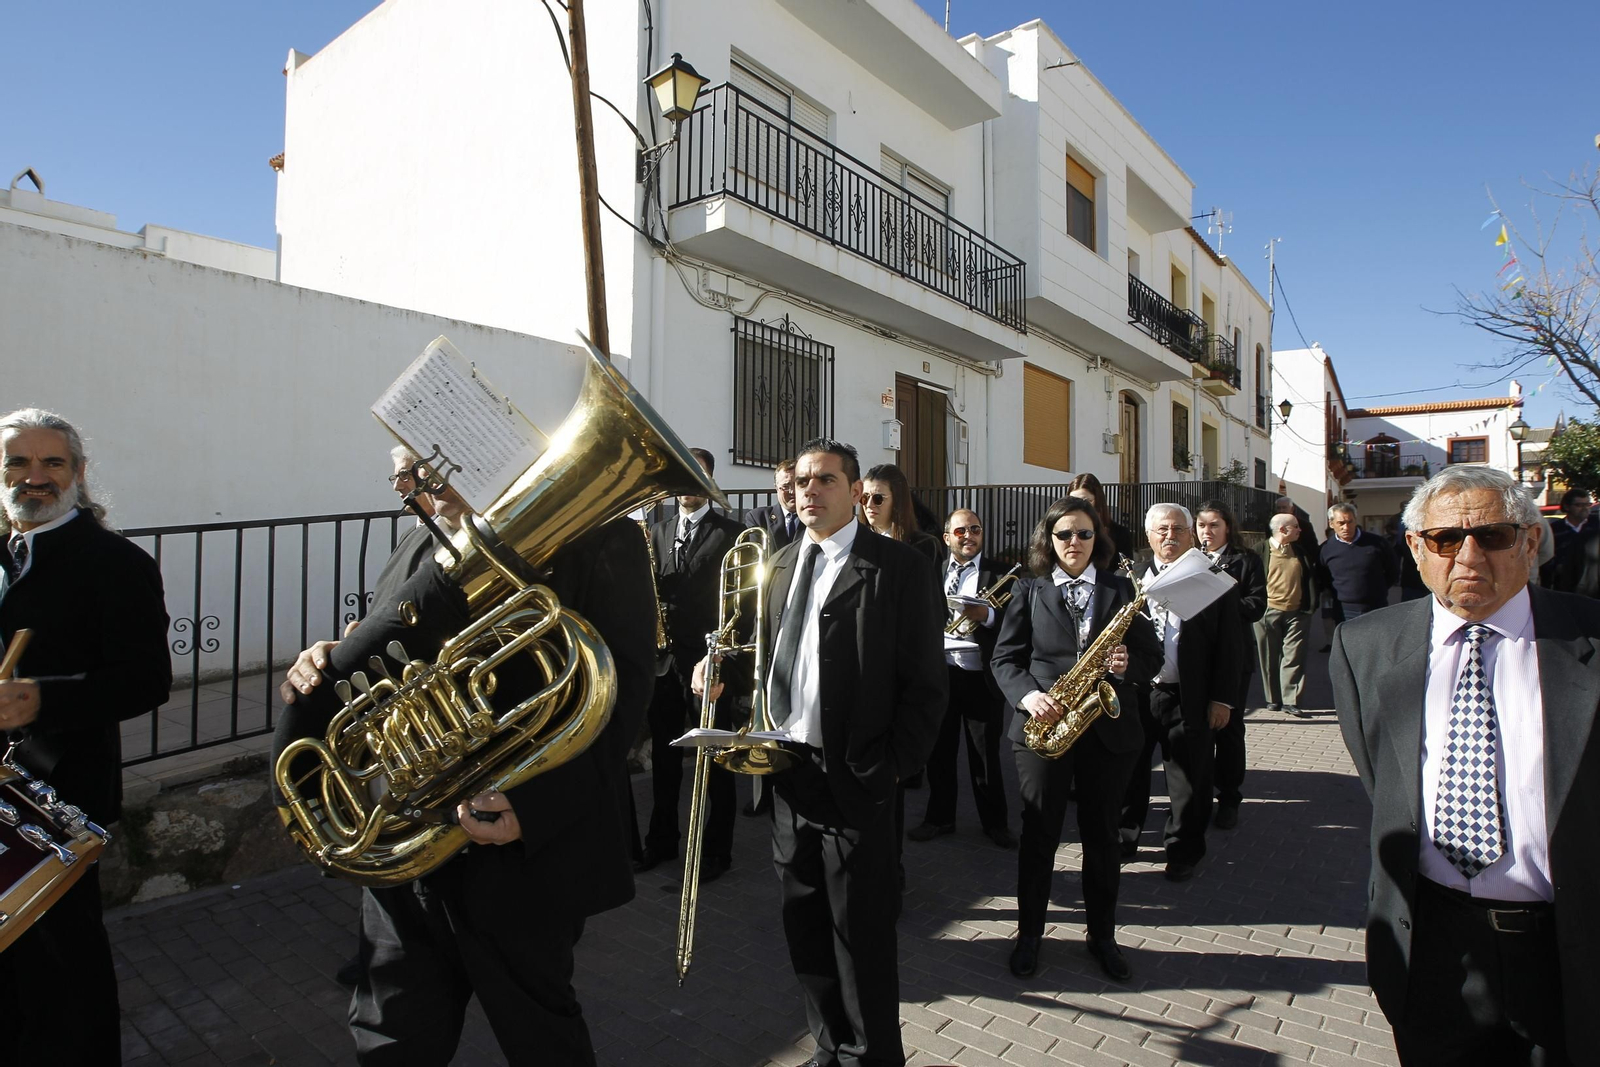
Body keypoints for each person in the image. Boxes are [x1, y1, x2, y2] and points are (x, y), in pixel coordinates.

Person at [274, 475, 655, 1065]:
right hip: (408, 855)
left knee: (542, 1038)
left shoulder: (597, 540)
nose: (420, 486)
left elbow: (621, 696)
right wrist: (327, 658)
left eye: (432, 463)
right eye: (405, 475)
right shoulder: (411, 548)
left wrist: (535, 808)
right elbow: (384, 669)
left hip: (518, 860)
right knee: (389, 1038)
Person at [1332, 465, 1599, 1066]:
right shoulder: (1364, 647)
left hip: (1568, 946)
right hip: (1432, 948)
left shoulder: (1589, 637)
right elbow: (1385, 781)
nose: (1468, 555)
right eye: (1446, 539)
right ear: (1416, 549)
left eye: (1495, 536)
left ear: (1530, 542)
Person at [697, 438, 945, 1067]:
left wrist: (891, 767)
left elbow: (926, 686)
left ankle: (872, 1057)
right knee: (804, 926)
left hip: (857, 778)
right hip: (787, 775)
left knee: (860, 940)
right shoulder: (779, 563)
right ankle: (829, 1046)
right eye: (803, 480)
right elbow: (771, 656)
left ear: (856, 493)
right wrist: (716, 669)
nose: (809, 490)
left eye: (826, 480)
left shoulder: (899, 567)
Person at [0, 408, 172, 1066]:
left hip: (60, 801)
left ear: (78, 472)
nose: (34, 477)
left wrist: (41, 700)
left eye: (53, 463)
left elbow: (146, 681)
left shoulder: (116, 563)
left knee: (63, 979)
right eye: (18, 462)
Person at [284, 446, 472, 988]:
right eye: (397, 475)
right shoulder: (414, 537)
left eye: (412, 472)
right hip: (396, 743)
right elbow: (378, 628)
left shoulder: (504, 537)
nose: (400, 487)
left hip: (458, 758)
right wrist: (332, 650)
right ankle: (382, 949)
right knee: (388, 866)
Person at [990, 496, 1161, 981]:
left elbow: (1152, 659)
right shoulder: (1028, 590)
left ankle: (1102, 937)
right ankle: (1029, 936)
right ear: (1050, 540)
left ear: (1096, 539)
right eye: (1064, 534)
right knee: (1039, 834)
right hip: (1046, 726)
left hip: (1107, 731)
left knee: (1102, 838)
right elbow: (1005, 660)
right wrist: (1028, 698)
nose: (1074, 543)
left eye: (1084, 534)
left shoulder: (1123, 591)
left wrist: (1130, 666)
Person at [635, 447, 744, 880]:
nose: (688, 487)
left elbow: (743, 608)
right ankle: (660, 843)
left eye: (697, 477)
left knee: (716, 762)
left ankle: (717, 852)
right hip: (665, 665)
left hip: (710, 666)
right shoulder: (657, 532)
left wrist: (723, 664)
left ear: (710, 483)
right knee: (664, 760)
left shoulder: (731, 532)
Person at [1118, 503, 1242, 881]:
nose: (1169, 536)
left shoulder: (1210, 579)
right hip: (1137, 693)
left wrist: (1222, 699)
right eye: (1161, 530)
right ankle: (1124, 838)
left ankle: (1184, 850)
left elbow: (1231, 645)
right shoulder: (1128, 579)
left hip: (1189, 695)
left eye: (1177, 529)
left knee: (1189, 780)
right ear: (1149, 537)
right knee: (1129, 773)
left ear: (1191, 535)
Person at [908, 507, 1015, 849]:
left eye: (975, 529)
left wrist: (986, 615)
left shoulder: (1001, 573)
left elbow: (1015, 621)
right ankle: (940, 818)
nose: (968, 536)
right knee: (939, 753)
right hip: (940, 675)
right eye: (960, 531)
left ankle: (995, 823)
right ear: (946, 537)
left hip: (978, 677)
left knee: (985, 756)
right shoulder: (932, 570)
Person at [1195, 500, 1266, 830]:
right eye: (1201, 525)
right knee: (1196, 732)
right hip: (1196, 657)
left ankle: (1229, 798)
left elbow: (1256, 606)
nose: (1206, 532)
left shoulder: (1245, 560)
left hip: (1233, 657)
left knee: (1228, 729)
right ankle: (1196, 799)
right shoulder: (1190, 560)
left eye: (1213, 525)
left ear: (1227, 528)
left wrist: (1222, 592)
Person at [1254, 511, 1321, 718]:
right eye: (1296, 527)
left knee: (1294, 657)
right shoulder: (1260, 551)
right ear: (1282, 529)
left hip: (1297, 612)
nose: (1300, 530)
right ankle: (1273, 699)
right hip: (1268, 612)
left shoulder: (1299, 551)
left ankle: (1290, 700)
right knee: (1269, 657)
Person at [1321, 502, 1397, 622]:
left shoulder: (1378, 543)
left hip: (1376, 606)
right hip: (1344, 609)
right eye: (1341, 523)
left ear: (1355, 521)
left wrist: (1377, 590)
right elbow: (1323, 578)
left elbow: (1393, 571)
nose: (1346, 527)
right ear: (1331, 524)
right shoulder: (1326, 549)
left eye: (1350, 522)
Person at [861, 463, 941, 565]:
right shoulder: (856, 543)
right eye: (865, 497)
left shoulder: (924, 546)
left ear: (897, 501)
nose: (869, 504)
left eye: (878, 498)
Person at [1068, 472, 1136, 564]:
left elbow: (1124, 572)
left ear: (1098, 501)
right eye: (1073, 501)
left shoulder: (1120, 534)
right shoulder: (1062, 533)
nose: (1079, 506)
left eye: (1087, 501)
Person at [1540, 487, 1595, 587]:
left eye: (1587, 504)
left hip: (1592, 586)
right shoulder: (1554, 530)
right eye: (1579, 505)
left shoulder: (1595, 527)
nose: (1585, 508)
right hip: (1563, 586)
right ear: (1567, 506)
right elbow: (1547, 559)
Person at [743, 458, 800, 550]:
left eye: (798, 485)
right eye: (785, 486)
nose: (792, 491)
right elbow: (754, 557)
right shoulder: (758, 517)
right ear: (776, 488)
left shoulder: (816, 517)